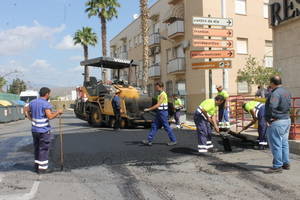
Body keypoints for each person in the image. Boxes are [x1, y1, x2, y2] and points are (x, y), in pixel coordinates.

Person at [24, 87, 63, 174]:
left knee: (37, 148)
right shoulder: (45, 104)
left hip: (34, 130)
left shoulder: (33, 102)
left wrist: (31, 119)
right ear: (46, 94)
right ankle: (42, 169)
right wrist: (58, 112)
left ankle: (36, 166)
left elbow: (25, 110)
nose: (50, 95)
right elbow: (50, 116)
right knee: (44, 149)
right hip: (43, 131)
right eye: (49, 94)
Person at [265, 75, 291, 174]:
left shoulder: (275, 93)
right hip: (286, 120)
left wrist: (269, 118)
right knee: (284, 143)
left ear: (272, 83)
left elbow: (272, 107)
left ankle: (277, 166)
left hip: (277, 121)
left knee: (276, 144)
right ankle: (286, 163)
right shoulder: (286, 92)